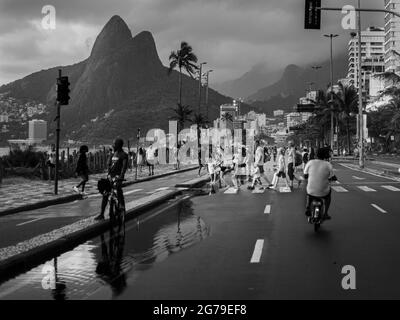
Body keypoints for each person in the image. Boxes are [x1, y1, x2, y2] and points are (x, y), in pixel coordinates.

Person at [95, 138, 128, 221]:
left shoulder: (124, 155)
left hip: (118, 177)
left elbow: (124, 167)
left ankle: (122, 209)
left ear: (119, 145)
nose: (113, 145)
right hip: (110, 176)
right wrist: (110, 155)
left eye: (115, 144)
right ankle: (102, 214)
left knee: (118, 192)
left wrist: (121, 176)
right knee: (105, 194)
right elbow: (108, 164)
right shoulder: (113, 154)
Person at [304, 148, 336, 220]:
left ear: (315, 155)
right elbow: (332, 176)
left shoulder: (310, 162)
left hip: (311, 190)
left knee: (309, 193)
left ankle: (308, 207)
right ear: (325, 155)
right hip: (323, 191)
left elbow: (305, 175)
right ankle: (325, 213)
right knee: (328, 196)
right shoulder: (328, 164)